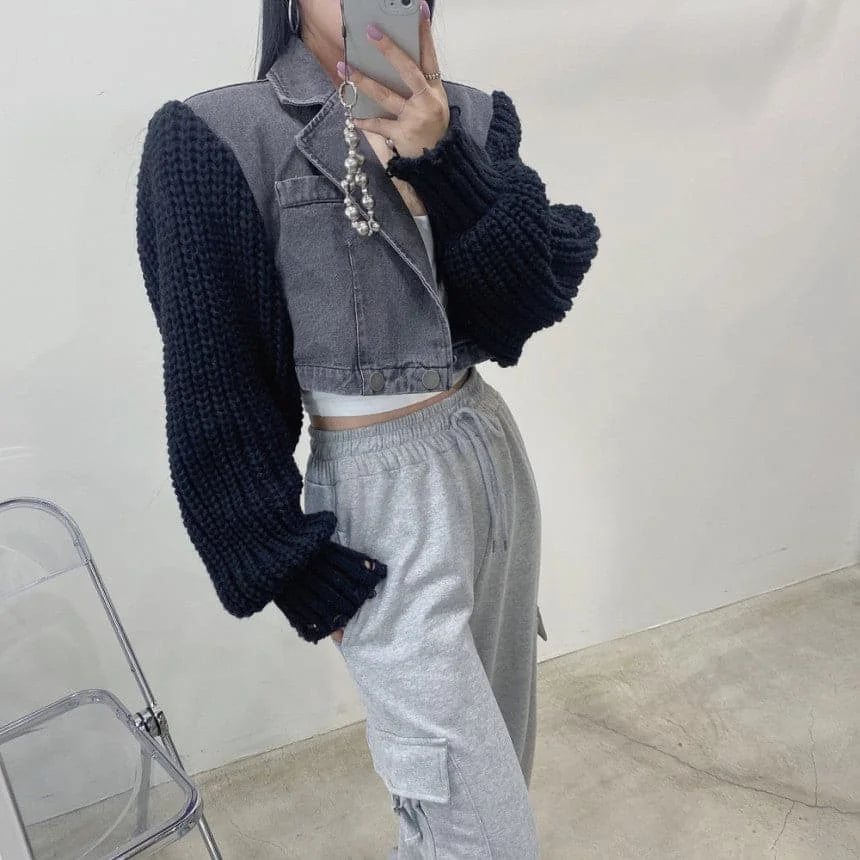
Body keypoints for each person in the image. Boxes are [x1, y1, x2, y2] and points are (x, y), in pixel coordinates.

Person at [135, 0, 600, 856]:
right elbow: (212, 374)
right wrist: (284, 560)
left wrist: (444, 159)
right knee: (479, 829)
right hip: (378, 498)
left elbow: (521, 310)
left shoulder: (476, 116)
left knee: (494, 769)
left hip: (488, 454)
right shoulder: (217, 135)